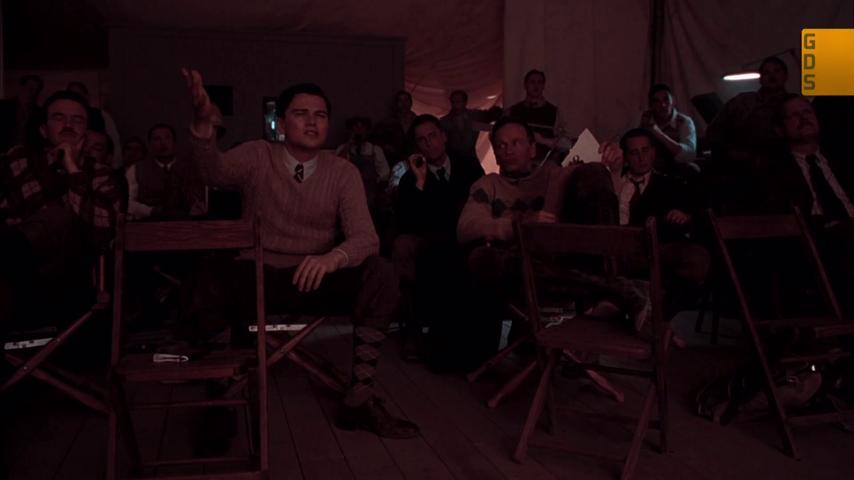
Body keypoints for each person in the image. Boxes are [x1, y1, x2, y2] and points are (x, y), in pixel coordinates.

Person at [183, 68, 418, 438]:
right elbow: (213, 171)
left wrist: (333, 258)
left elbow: (365, 238)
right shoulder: (258, 155)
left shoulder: (342, 171)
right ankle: (223, 395)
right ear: (280, 123)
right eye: (301, 113)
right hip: (258, 275)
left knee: (382, 273)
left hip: (316, 275)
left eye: (320, 115)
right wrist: (202, 126)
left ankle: (359, 399)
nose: (312, 122)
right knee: (211, 272)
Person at [1, 90, 121, 331]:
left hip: (73, 271)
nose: (68, 125)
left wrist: (72, 169)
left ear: (86, 132)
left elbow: (103, 232)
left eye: (77, 120)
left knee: (58, 217)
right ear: (43, 130)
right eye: (58, 117)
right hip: (19, 272)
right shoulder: (18, 160)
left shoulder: (100, 173)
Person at [392, 114, 484, 361]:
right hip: (429, 238)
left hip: (464, 236)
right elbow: (408, 222)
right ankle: (413, 328)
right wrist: (421, 182)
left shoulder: (468, 165)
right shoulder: (410, 178)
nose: (429, 143)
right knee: (403, 245)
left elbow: (481, 205)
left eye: (432, 136)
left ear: (443, 136)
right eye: (422, 140)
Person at [126, 123, 205, 220]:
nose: (163, 143)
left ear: (174, 142)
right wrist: (151, 211)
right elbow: (127, 202)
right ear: (150, 144)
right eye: (157, 139)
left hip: (184, 222)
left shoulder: (190, 168)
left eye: (167, 138)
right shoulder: (137, 169)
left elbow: (198, 197)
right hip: (148, 222)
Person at [507, 70, 567, 164]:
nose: (536, 86)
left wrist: (542, 140)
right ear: (525, 85)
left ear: (543, 86)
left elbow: (564, 144)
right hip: (517, 164)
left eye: (539, 82)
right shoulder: (512, 111)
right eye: (532, 82)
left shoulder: (554, 112)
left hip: (545, 164)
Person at [640, 83, 697, 173]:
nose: (662, 105)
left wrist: (660, 134)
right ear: (651, 105)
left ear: (673, 101)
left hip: (674, 171)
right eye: (656, 101)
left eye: (666, 100)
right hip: (647, 169)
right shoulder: (643, 118)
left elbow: (689, 156)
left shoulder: (684, 122)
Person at [439, 90, 502, 163]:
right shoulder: (444, 121)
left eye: (458, 102)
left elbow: (493, 115)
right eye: (453, 102)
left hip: (471, 159)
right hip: (452, 160)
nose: (455, 105)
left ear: (465, 102)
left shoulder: (475, 115)